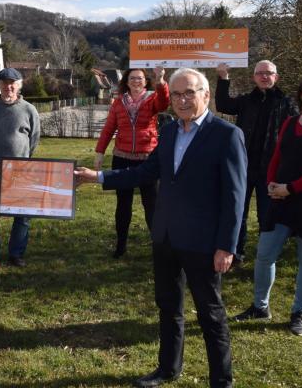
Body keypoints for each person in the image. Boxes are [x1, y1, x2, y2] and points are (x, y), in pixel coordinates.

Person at [76, 68, 247, 388]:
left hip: (204, 244)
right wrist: (98, 177)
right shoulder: (168, 133)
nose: (182, 100)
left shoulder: (226, 135)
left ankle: (221, 381)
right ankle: (167, 368)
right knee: (169, 308)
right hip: (166, 237)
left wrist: (228, 245)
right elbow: (144, 172)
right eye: (178, 94)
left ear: (206, 95)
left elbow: (235, 196)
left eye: (190, 93)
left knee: (211, 315)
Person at [232, 74, 302, 336]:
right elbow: (277, 155)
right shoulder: (289, 123)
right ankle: (260, 306)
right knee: (264, 255)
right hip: (280, 199)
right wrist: (271, 182)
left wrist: (291, 188)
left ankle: (299, 312)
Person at [216, 61, 298, 263]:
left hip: (271, 170)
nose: (264, 77)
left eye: (268, 73)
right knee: (238, 211)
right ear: (254, 77)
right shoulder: (246, 101)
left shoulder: (286, 103)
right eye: (260, 73)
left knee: (266, 214)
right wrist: (223, 78)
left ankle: (265, 255)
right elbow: (223, 105)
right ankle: (236, 253)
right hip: (243, 167)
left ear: (276, 77)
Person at [94, 67, 169, 258]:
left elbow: (164, 104)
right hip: (122, 158)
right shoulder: (119, 102)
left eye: (141, 78)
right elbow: (109, 127)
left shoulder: (152, 98)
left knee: (151, 205)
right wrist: (100, 152)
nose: (137, 81)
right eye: (133, 78)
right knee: (123, 204)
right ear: (127, 81)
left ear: (146, 82)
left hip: (148, 159)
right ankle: (121, 245)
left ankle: (159, 247)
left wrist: (160, 81)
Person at [0, 67, 40, 267]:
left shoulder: (29, 109)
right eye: (4, 83)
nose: (9, 87)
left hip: (21, 171)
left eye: (12, 83)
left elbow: (33, 139)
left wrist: (23, 161)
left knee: (23, 216)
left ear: (19, 85)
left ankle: (16, 253)